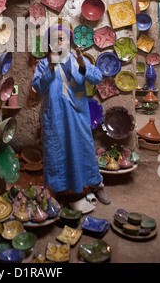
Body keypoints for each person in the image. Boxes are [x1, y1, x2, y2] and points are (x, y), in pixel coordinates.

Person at [31, 24, 110, 205]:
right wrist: (51, 68)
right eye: (54, 39)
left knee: (85, 149)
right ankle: (57, 191)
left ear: (69, 42)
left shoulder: (78, 61)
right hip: (55, 119)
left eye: (62, 38)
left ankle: (96, 186)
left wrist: (84, 65)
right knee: (55, 153)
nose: (58, 42)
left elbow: (97, 78)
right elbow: (38, 87)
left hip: (78, 116)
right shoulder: (43, 64)